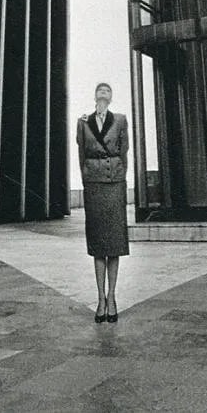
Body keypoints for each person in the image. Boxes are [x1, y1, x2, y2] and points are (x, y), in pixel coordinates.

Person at [76, 82, 129, 324]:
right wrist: (87, 179)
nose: (103, 93)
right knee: (98, 244)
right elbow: (81, 156)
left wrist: (119, 175)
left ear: (111, 97)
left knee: (115, 243)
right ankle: (100, 300)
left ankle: (112, 297)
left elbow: (124, 152)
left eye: (107, 90)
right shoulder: (83, 121)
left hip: (114, 182)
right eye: (100, 90)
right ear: (95, 96)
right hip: (94, 185)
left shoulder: (120, 119)